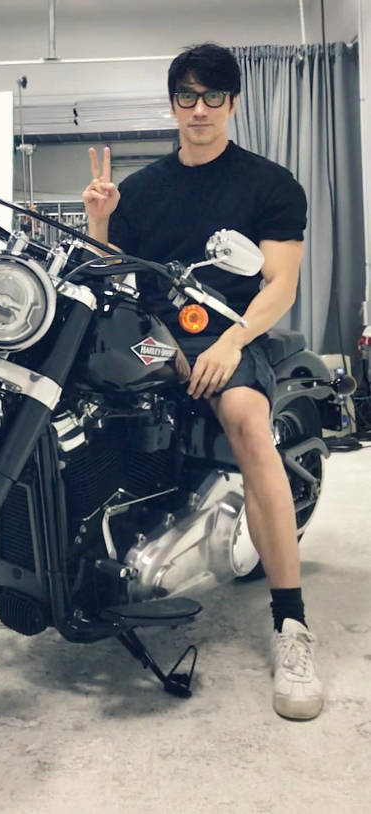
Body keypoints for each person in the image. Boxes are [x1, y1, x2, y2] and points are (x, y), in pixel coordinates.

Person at [82, 42, 323, 721]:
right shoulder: (142, 189)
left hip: (229, 332)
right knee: (63, 402)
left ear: (233, 102)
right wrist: (100, 219)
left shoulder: (270, 184)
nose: (199, 109)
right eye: (187, 96)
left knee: (247, 423)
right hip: (154, 334)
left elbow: (280, 284)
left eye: (213, 96)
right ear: (172, 105)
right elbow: (111, 272)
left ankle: (291, 622)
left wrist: (231, 341)